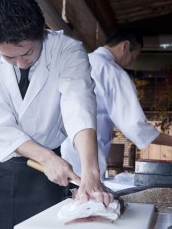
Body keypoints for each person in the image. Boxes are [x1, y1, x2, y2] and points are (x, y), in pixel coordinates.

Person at [0, 0, 113, 229]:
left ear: (42, 33)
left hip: (44, 175)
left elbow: (79, 107)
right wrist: (46, 158)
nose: (20, 62)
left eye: (26, 53)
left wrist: (91, 174)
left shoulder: (68, 51)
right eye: (9, 58)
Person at [61, 26, 172, 181]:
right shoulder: (112, 72)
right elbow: (135, 126)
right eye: (132, 58)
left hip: (59, 154)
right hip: (82, 159)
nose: (129, 63)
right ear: (125, 46)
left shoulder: (82, 60)